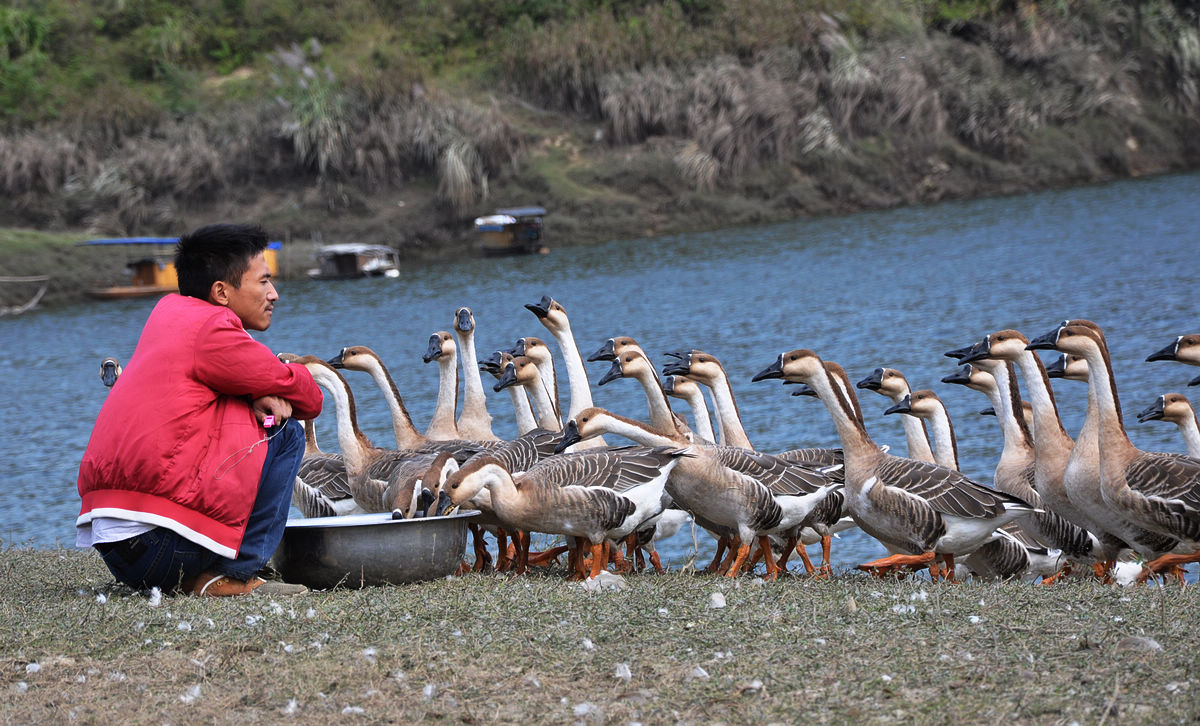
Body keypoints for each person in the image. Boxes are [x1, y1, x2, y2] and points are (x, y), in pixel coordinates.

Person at [76, 223, 323, 597]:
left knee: (259, 415)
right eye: (264, 281)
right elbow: (310, 400)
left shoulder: (168, 314)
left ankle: (200, 577)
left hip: (120, 550)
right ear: (221, 291)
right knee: (282, 431)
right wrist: (268, 388)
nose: (274, 294)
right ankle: (236, 574)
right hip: (160, 546)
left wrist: (251, 392)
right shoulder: (214, 329)